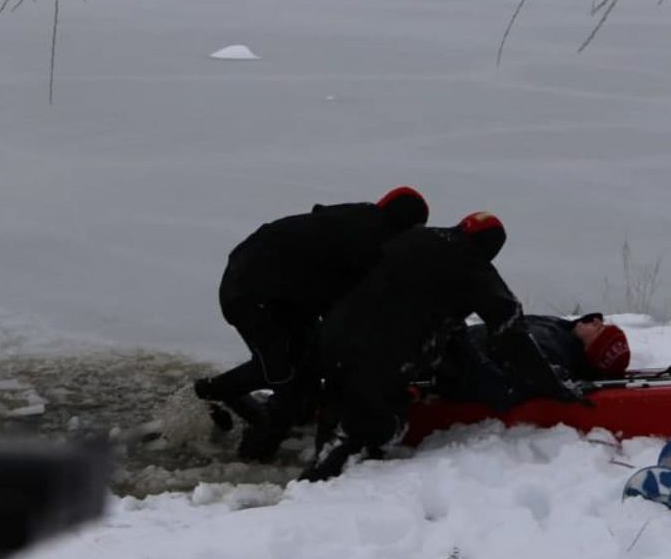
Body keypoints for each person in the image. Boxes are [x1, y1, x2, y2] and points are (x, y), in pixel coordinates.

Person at [301, 211, 587, 481]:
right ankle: (322, 484)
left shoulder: (413, 237)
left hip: (334, 336)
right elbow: (511, 333)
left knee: (339, 403)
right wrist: (550, 384)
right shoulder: (473, 267)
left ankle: (319, 451)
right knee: (381, 425)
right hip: (377, 355)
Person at [194, 186, 429, 461]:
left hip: (270, 287)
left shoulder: (359, 218)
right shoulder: (371, 243)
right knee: (285, 377)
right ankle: (250, 460)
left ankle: (223, 393)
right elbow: (352, 307)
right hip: (254, 295)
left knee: (303, 358)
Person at [434, 312, 631, 408]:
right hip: (443, 344)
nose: (597, 321)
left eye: (599, 329)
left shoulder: (555, 350)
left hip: (445, 358)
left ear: (591, 348)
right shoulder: (564, 331)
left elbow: (528, 373)